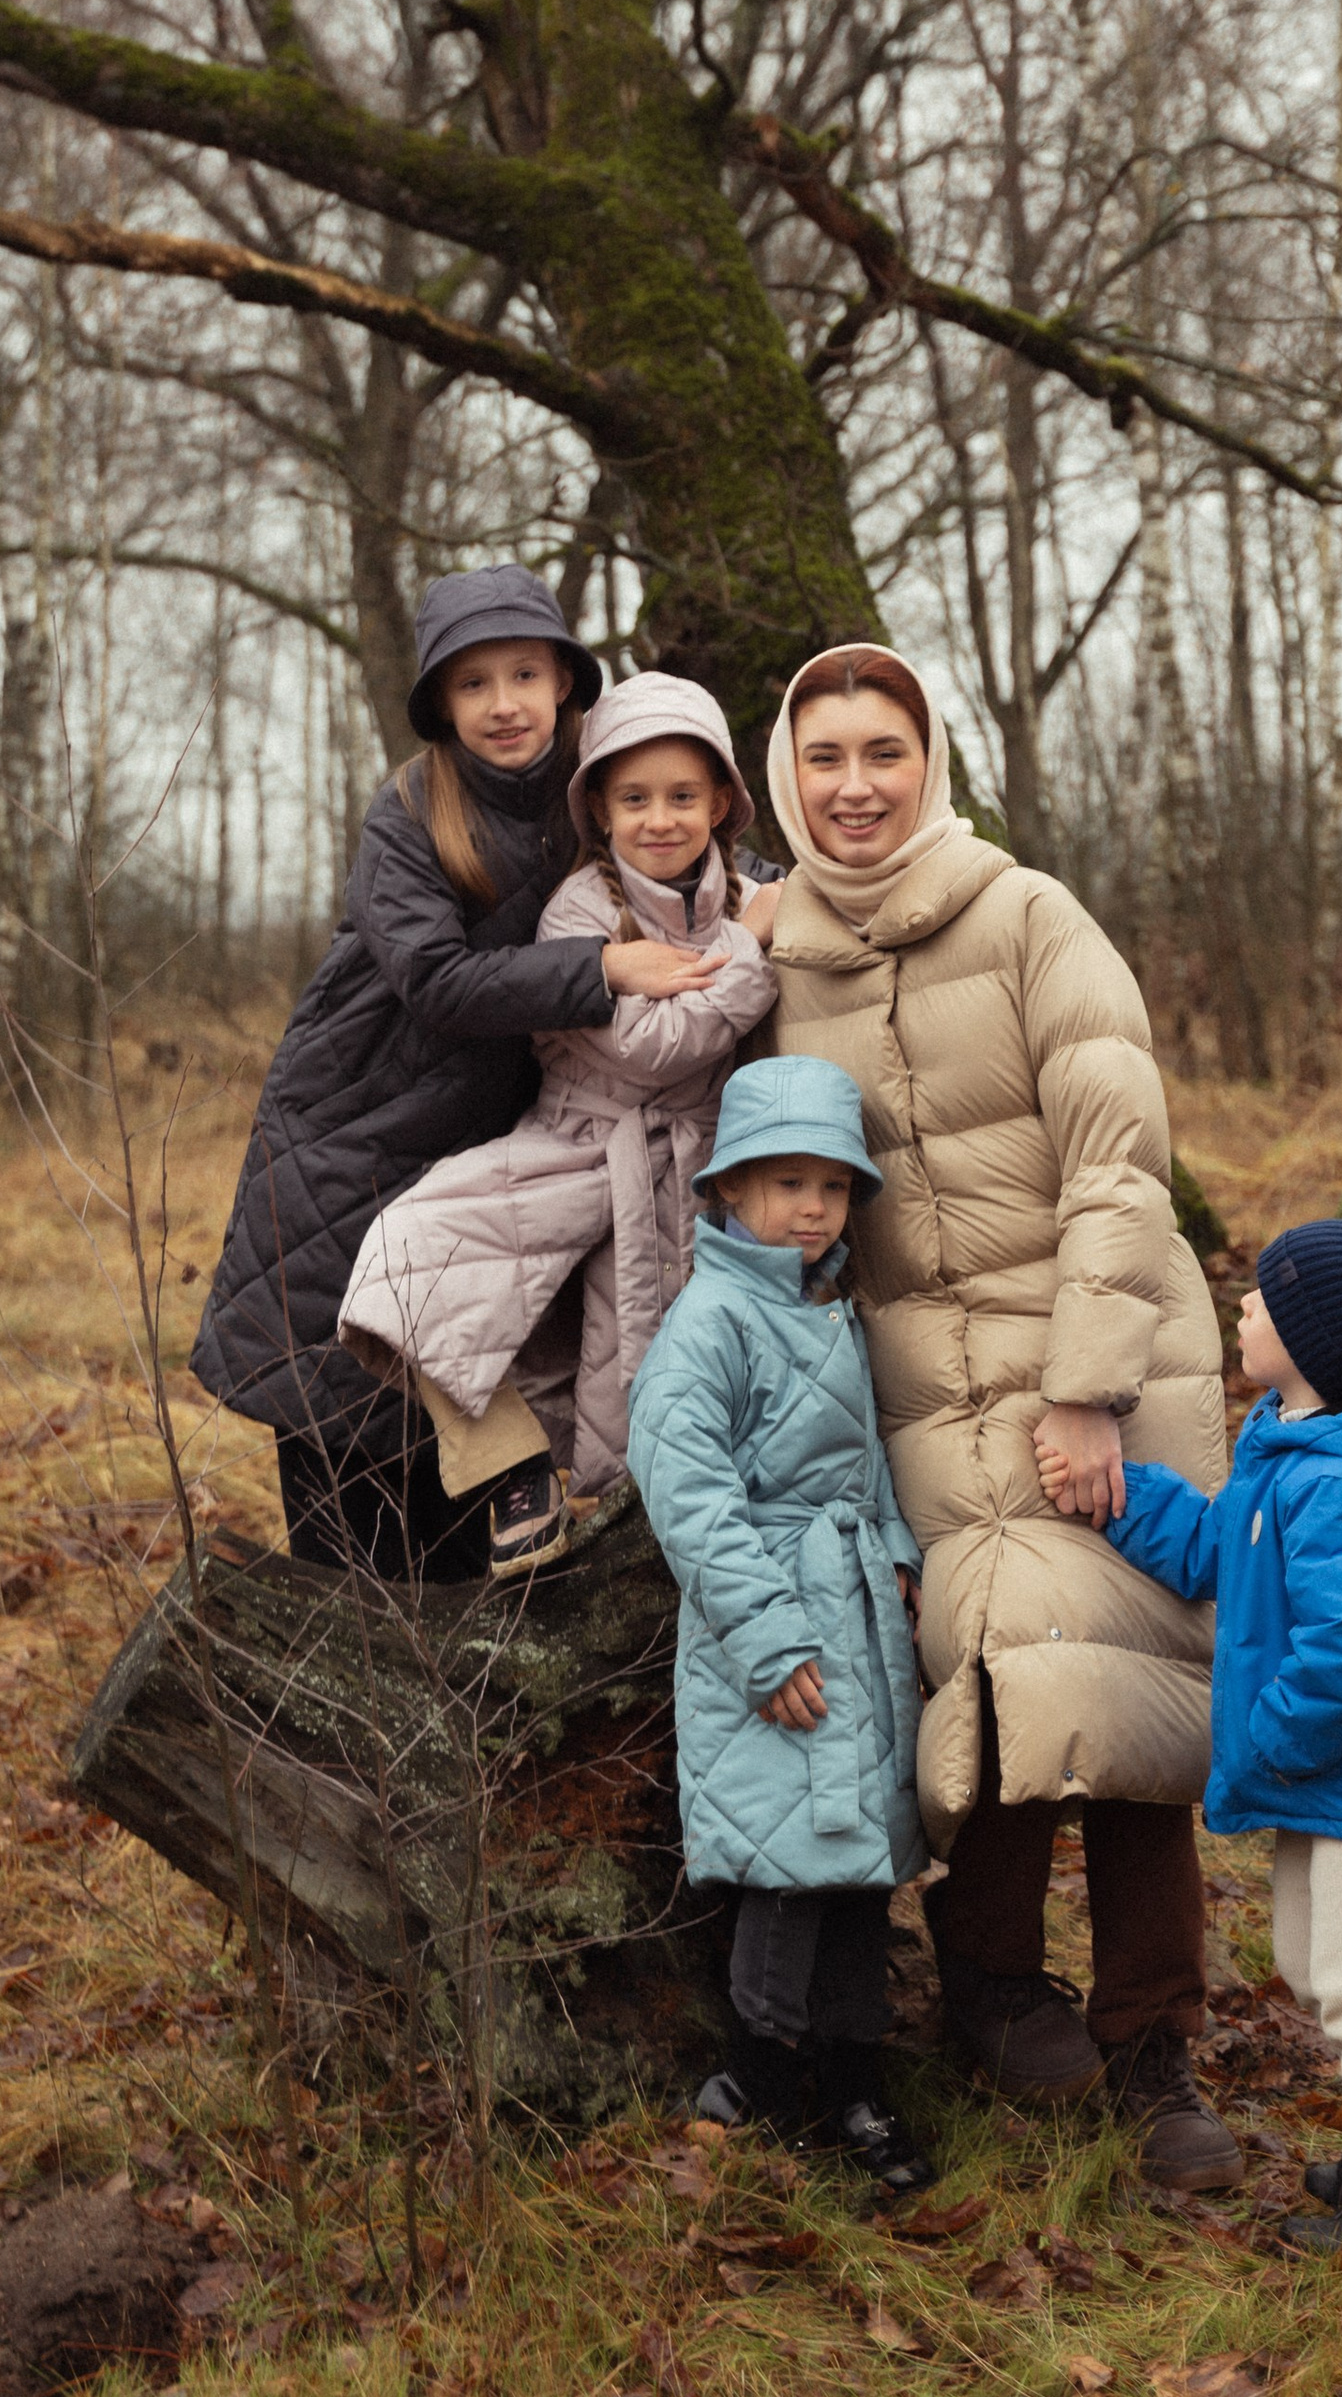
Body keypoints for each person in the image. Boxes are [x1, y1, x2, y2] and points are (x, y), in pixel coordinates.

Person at [763, 642, 1242, 2192]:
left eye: (882, 751)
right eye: (824, 755)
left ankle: (1158, 2040)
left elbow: (1120, 1157)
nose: (854, 784)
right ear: (790, 775)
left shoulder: (1031, 914)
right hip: (913, 1397)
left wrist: (1091, 1388)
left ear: (930, 760)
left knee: (1130, 1681)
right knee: (978, 1684)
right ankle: (992, 1989)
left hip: (1094, 1363)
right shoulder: (772, 960)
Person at [191, 568, 716, 1584]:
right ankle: (352, 1707)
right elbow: (435, 979)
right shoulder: (411, 813)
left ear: (567, 679)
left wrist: (773, 897)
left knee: (466, 1448)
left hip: (490, 1147)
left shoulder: (598, 778)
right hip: (354, 1136)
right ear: (441, 702)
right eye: (474, 684)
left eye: (526, 672)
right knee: (349, 1441)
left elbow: (686, 839)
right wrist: (603, 968)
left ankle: (468, 1713)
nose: (505, 703)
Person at [1039, 1217, 1342, 2259]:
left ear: (1320, 1346)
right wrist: (1118, 1498)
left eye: (1265, 1300)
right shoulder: (1290, 1448)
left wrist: (1273, 1737)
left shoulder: (1333, 1489)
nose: (1241, 1304)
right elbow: (1212, 1551)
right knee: (1310, 1964)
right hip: (1320, 1778)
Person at [333, 674, 780, 1576]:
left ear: (724, 802)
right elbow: (654, 1046)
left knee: (654, 1351)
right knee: (410, 1255)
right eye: (635, 799)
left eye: (684, 797)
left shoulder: (750, 894)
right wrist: (748, 953)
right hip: (577, 1142)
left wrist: (744, 930)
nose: (661, 819)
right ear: (599, 812)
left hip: (701, 1159)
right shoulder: (580, 910)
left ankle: (646, 1525)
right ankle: (511, 1464)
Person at [626, 1058, 933, 2199]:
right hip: (766, 1631)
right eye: (787, 1183)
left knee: (857, 1859)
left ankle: (856, 2076)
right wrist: (764, 1641)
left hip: (854, 1613)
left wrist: (896, 1554)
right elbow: (687, 1488)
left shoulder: (830, 1307)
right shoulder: (711, 1322)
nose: (813, 1207)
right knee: (782, 1860)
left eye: (834, 1187)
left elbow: (869, 1465)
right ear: (730, 1193)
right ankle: (755, 2073)